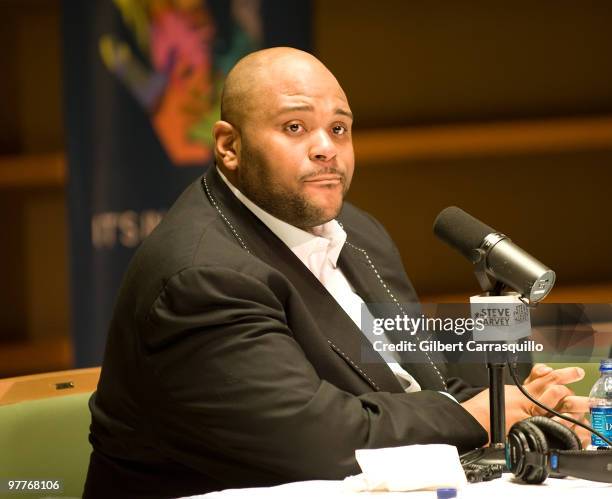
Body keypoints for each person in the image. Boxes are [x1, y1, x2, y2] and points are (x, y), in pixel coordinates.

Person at [83, 47, 590, 499]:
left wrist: (526, 402)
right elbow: (314, 439)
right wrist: (479, 415)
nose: (326, 148)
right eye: (295, 127)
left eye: (339, 128)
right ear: (229, 146)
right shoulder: (201, 277)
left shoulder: (354, 230)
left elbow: (421, 371)